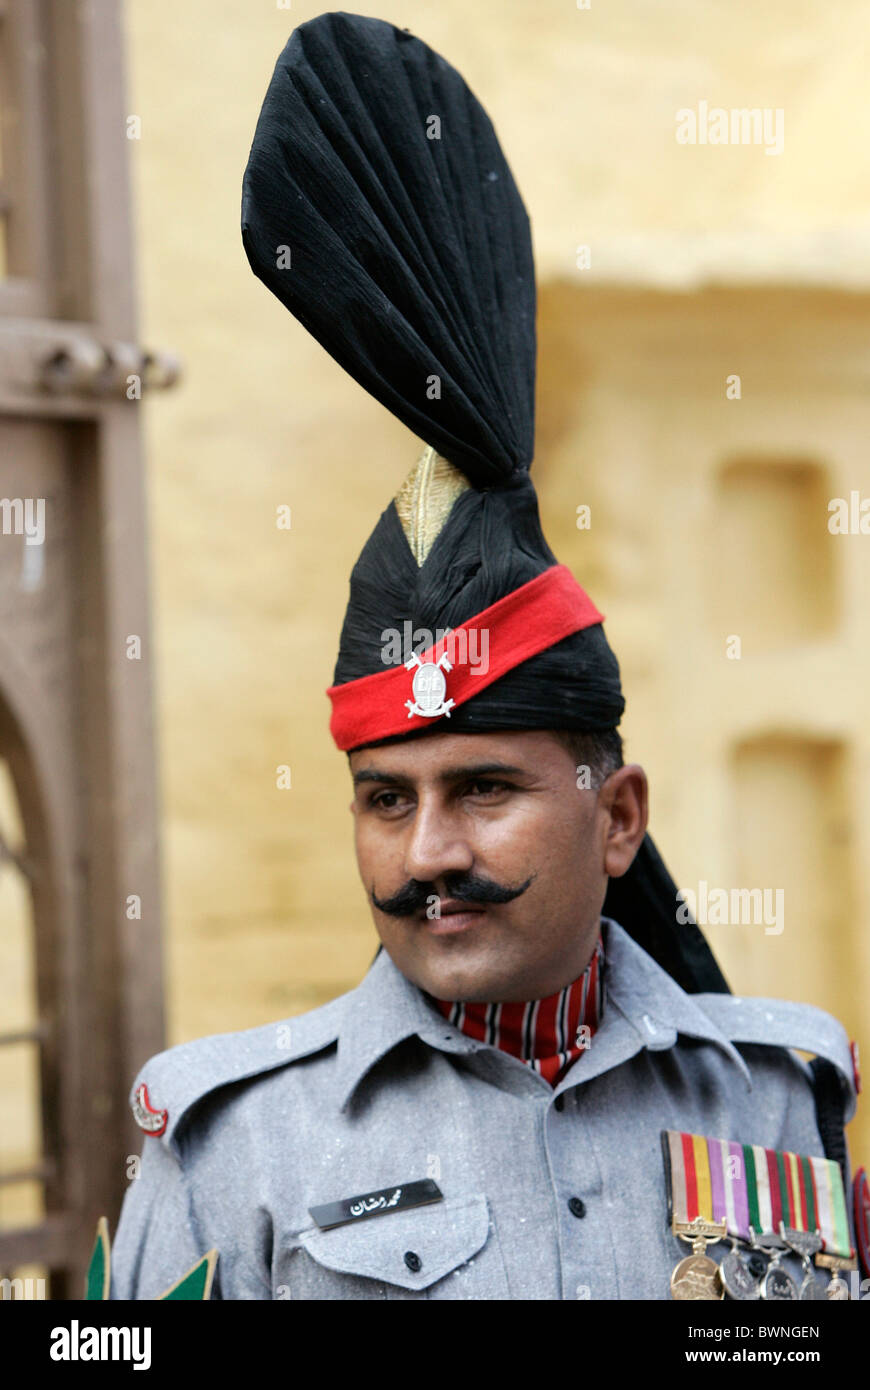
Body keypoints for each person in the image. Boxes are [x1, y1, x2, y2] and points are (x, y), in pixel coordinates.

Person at [109, 12, 863, 1300]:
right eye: (385, 798)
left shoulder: (783, 1100)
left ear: (616, 815)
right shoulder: (225, 1144)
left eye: (486, 789)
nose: (428, 858)